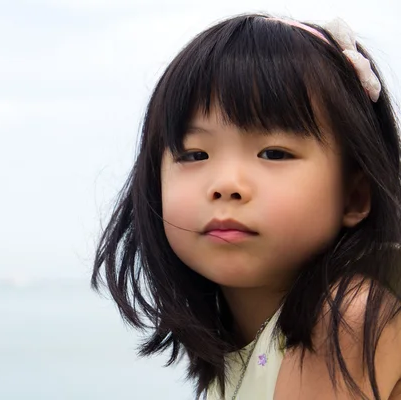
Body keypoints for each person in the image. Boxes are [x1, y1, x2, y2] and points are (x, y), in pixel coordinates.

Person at [91, 13, 401, 400]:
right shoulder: (244, 341)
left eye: (273, 153)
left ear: (356, 195)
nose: (226, 185)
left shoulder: (347, 319)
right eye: (194, 154)